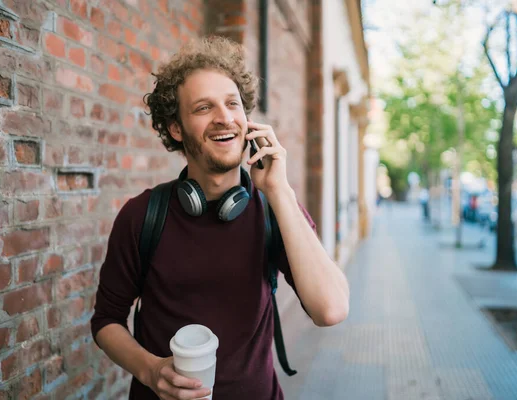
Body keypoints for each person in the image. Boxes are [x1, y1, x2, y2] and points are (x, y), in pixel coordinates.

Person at [90, 36, 350, 400]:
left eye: (233, 104)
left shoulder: (277, 209)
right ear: (176, 128)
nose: (224, 117)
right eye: (203, 108)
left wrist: (279, 191)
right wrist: (149, 370)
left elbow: (331, 309)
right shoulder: (141, 216)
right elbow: (106, 321)